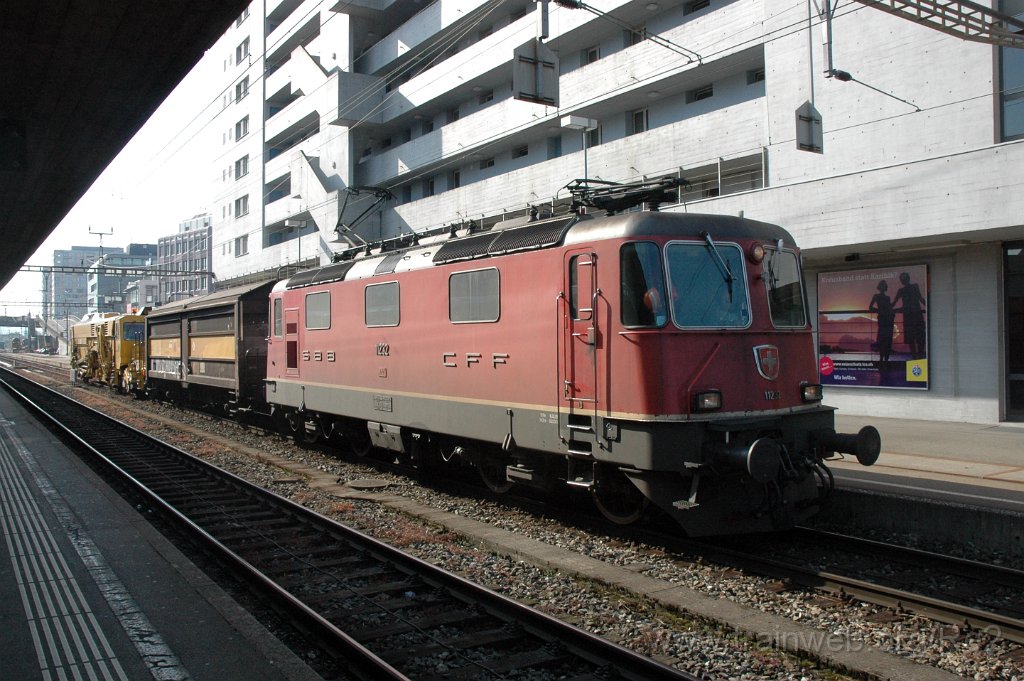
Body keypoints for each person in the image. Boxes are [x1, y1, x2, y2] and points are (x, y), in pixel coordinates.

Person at [894, 271, 926, 358]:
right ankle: (918, 356)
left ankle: (916, 356)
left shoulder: (902, 290)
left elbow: (894, 303)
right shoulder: (913, 287)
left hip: (910, 315)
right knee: (918, 337)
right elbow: (920, 298)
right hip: (915, 314)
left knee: (914, 337)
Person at [868, 280, 894, 369]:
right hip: (884, 320)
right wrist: (880, 310)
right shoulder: (880, 297)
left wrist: (879, 310)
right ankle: (883, 360)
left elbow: (871, 308)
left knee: (885, 340)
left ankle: (883, 360)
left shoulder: (885, 297)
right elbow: (870, 307)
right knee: (884, 340)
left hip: (886, 319)